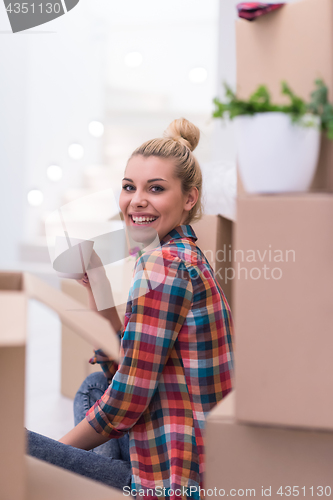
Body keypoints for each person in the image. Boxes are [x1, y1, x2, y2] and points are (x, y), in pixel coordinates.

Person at [27, 118, 234, 500]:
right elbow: (130, 361)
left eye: (155, 189)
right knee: (93, 387)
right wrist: (99, 285)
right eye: (128, 187)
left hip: (172, 480)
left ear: (189, 198)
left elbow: (127, 401)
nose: (136, 200)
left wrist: (49, 459)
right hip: (181, 451)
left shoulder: (165, 266)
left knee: (19, 447)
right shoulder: (178, 252)